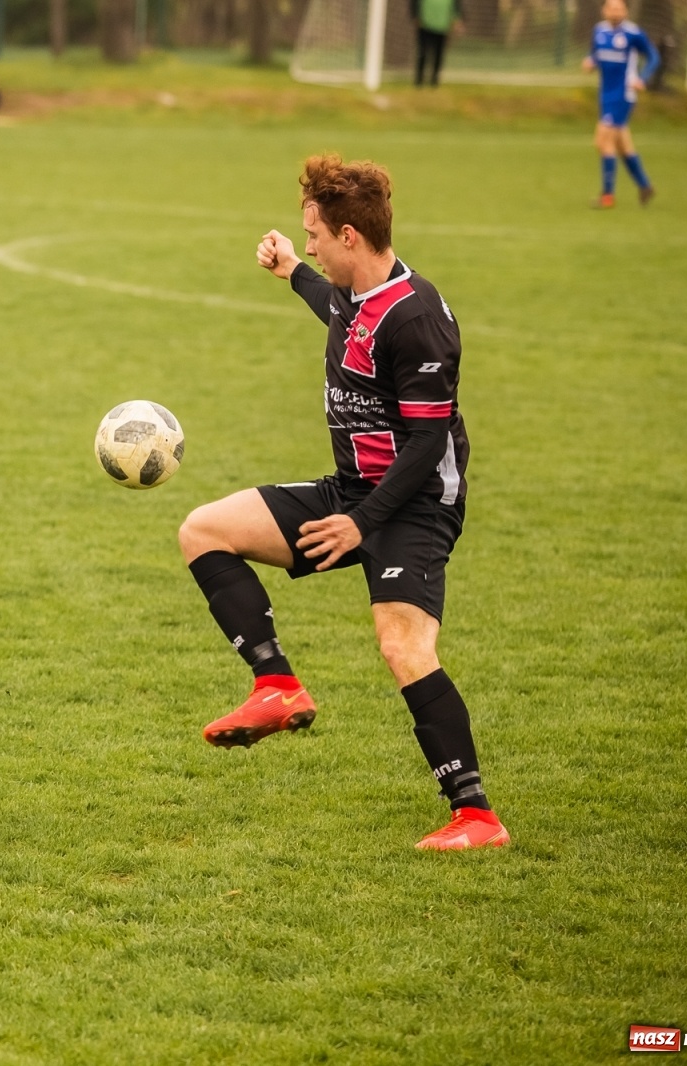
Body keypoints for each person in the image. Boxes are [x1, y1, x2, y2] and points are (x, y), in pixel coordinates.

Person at [178, 154, 509, 852]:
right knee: (204, 530)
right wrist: (290, 271)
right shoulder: (353, 293)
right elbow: (335, 308)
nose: (311, 246)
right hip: (352, 490)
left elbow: (426, 443)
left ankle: (477, 817)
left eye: (315, 237)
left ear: (349, 236)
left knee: (403, 647)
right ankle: (277, 686)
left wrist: (361, 524)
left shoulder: (417, 318)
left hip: (417, 504)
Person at [582, 0, 659, 208]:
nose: (616, 12)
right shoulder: (599, 31)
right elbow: (596, 54)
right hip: (605, 94)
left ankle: (607, 196)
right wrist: (590, 62)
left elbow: (653, 56)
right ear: (604, 11)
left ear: (625, 11)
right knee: (623, 145)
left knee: (602, 141)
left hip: (623, 94)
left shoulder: (633, 34)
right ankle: (645, 186)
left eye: (620, 9)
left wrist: (642, 78)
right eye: (612, 8)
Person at [410, 0, 461, 87]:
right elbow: (414, 3)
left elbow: (456, 6)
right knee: (423, 52)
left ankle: (434, 79)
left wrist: (457, 20)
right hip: (425, 24)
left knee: (438, 54)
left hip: (442, 25)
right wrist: (415, 15)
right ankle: (419, 79)